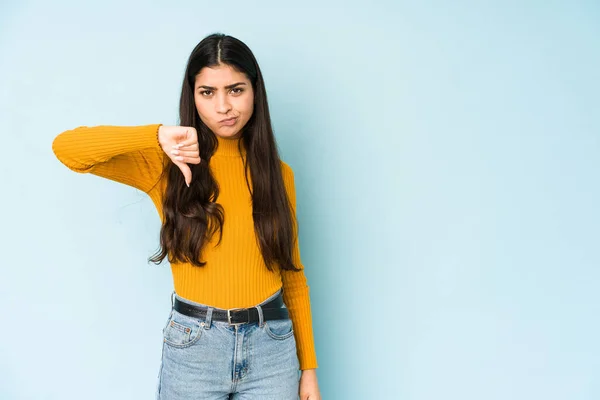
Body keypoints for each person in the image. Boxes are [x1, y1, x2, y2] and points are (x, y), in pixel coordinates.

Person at [52, 32, 321, 400]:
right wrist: (157, 135)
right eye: (208, 92)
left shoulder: (279, 174)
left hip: (272, 349)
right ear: (192, 97)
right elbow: (67, 149)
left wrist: (309, 372)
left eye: (236, 89)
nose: (224, 106)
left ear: (255, 91)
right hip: (195, 347)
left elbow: (293, 276)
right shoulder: (166, 165)